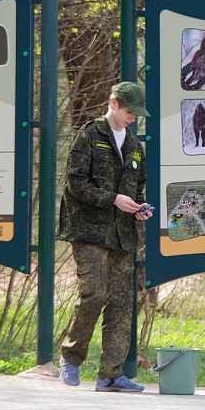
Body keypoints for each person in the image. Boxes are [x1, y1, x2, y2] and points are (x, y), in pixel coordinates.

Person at [57, 82, 154, 392]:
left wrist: (139, 208)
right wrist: (113, 199)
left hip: (123, 233)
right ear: (113, 103)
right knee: (95, 294)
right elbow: (76, 185)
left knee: (123, 304)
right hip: (88, 230)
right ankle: (71, 358)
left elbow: (137, 188)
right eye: (129, 111)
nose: (132, 118)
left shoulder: (136, 146)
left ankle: (110, 375)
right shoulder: (88, 136)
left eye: (137, 114)